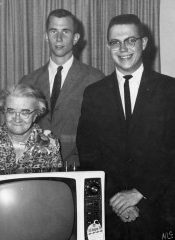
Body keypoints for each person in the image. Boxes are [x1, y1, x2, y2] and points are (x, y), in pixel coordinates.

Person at [77, 14, 175, 239]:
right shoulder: (93, 94)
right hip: (112, 212)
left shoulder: (170, 90)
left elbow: (172, 152)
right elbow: (89, 154)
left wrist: (140, 192)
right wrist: (119, 200)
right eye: (115, 42)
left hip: (159, 210)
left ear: (143, 43)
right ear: (108, 46)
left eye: (131, 40)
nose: (123, 48)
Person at [20, 9, 104, 169]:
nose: (59, 38)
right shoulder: (28, 81)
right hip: (37, 170)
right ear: (46, 36)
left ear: (76, 38)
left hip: (80, 168)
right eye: (53, 31)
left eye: (65, 31)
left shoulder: (95, 79)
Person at [0, 83, 62, 195]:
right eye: (11, 111)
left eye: (25, 112)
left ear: (36, 115)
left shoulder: (49, 142)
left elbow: (54, 188)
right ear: (4, 111)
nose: (17, 118)